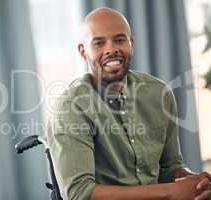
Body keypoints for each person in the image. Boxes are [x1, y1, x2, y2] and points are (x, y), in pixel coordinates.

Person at [47, 7, 211, 200]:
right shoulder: (72, 107)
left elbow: (170, 168)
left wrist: (196, 183)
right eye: (99, 43)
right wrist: (168, 193)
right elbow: (79, 194)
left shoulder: (158, 93)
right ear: (83, 52)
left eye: (119, 39)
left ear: (131, 44)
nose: (111, 49)